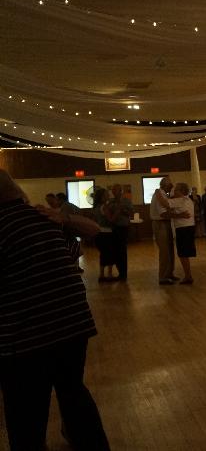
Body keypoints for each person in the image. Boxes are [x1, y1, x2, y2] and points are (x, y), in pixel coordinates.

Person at [0, 169, 110, 451]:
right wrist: (64, 219)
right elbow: (89, 235)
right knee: (73, 392)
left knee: (25, 413)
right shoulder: (44, 217)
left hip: (24, 336)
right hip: (72, 324)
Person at [150, 177, 190, 285]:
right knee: (164, 251)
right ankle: (163, 277)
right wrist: (180, 215)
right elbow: (163, 213)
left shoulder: (163, 194)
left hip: (165, 223)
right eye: (170, 185)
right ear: (165, 185)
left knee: (170, 250)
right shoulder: (159, 195)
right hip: (160, 223)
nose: (172, 187)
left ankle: (169, 274)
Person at [168, 183, 196, 285]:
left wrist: (157, 193)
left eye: (176, 190)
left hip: (183, 229)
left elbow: (164, 203)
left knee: (183, 254)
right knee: (185, 254)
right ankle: (188, 275)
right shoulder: (188, 200)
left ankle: (188, 276)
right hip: (190, 227)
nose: (174, 192)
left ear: (181, 191)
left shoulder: (179, 200)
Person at [107, 183, 133, 281]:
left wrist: (123, 210)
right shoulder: (111, 202)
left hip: (123, 228)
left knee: (122, 251)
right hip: (113, 228)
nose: (113, 192)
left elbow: (131, 213)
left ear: (120, 191)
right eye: (112, 190)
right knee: (115, 251)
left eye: (115, 190)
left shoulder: (126, 201)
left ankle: (123, 274)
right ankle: (120, 272)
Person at [91, 188, 118, 282]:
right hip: (107, 233)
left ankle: (101, 275)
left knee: (103, 254)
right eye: (106, 194)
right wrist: (118, 212)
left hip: (99, 233)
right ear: (102, 197)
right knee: (110, 254)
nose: (109, 195)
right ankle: (109, 275)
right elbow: (111, 220)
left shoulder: (95, 207)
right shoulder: (104, 207)